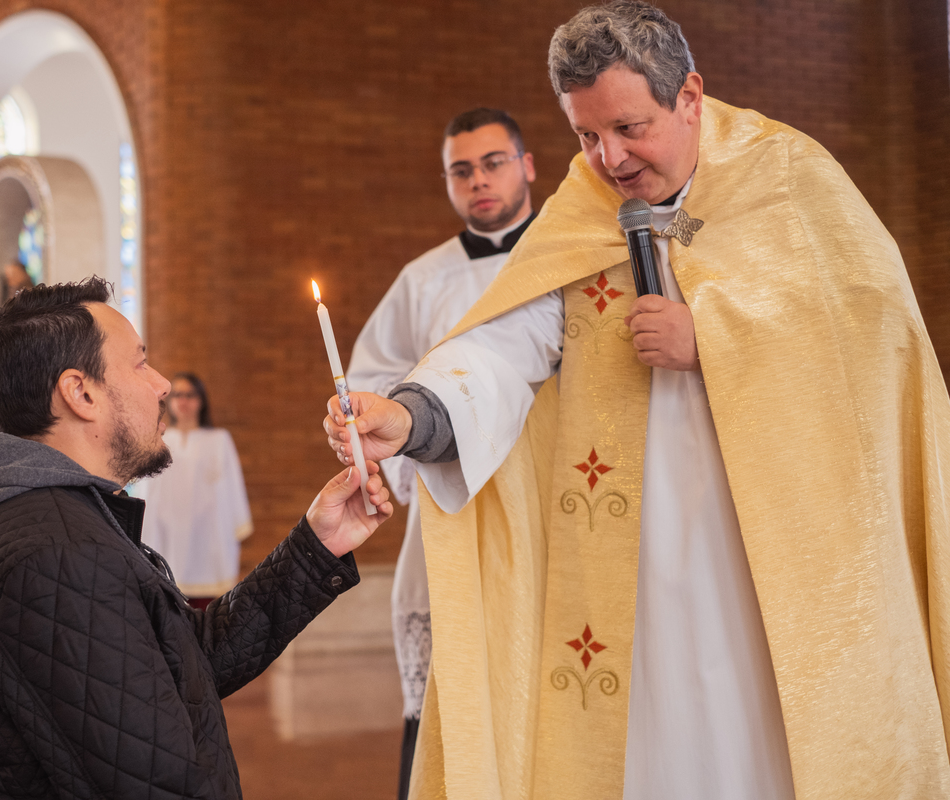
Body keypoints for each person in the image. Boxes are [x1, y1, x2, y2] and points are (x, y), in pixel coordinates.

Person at [324, 2, 950, 798]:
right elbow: (508, 341)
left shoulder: (788, 177)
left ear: (689, 95)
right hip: (637, 573)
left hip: (776, 569)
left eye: (629, 128)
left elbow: (875, 337)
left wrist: (714, 338)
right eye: (585, 135)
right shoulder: (583, 206)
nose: (608, 159)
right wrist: (411, 415)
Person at [0, 278, 392, 799]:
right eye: (139, 363)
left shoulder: (29, 517)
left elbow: (181, 664)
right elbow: (156, 784)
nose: (161, 385)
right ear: (81, 392)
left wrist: (317, 547)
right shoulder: (58, 557)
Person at [344, 107, 536, 800]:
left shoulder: (571, 253)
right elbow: (370, 376)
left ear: (527, 165)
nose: (479, 182)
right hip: (452, 501)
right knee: (451, 691)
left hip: (555, 494)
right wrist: (380, 437)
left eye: (493, 163)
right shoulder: (424, 279)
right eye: (462, 171)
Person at [133, 372, 253, 608]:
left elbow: (232, 489)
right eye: (177, 395)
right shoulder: (157, 439)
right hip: (166, 535)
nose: (183, 401)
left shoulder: (218, 440)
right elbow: (145, 489)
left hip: (208, 536)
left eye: (190, 395)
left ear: (201, 400)